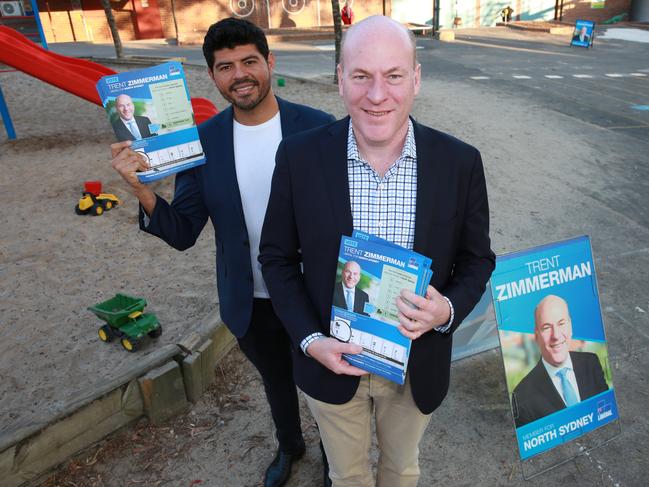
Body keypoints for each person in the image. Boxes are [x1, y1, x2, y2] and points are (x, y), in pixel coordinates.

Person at [260, 15, 495, 487]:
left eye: (393, 75)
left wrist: (445, 309)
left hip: (416, 364)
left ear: (416, 79)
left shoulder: (460, 162)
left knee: (401, 471)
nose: (377, 94)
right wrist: (311, 341)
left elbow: (477, 260)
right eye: (361, 75)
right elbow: (277, 259)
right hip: (331, 359)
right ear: (340, 78)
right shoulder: (299, 157)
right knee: (346, 476)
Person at [110, 18, 334, 487]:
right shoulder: (203, 142)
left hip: (313, 296)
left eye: (250, 61)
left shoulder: (319, 129)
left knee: (325, 386)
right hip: (248, 298)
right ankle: (289, 445)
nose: (240, 74)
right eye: (225, 66)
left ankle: (337, 458)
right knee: (276, 381)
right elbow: (183, 231)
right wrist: (142, 190)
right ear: (212, 77)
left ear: (270, 63)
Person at [512, 295, 608, 428]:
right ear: (536, 335)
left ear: (570, 326)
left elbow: (605, 409)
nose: (556, 335)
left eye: (561, 324)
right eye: (546, 327)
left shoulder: (591, 362)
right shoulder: (522, 395)